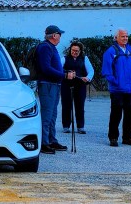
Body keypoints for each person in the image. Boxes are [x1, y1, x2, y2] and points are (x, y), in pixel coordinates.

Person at [35, 25, 76, 154]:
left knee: (52, 115)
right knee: (47, 116)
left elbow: (54, 68)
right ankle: (44, 143)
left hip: (54, 85)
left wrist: (65, 72)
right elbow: (46, 68)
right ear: (54, 35)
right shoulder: (45, 47)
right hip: (47, 85)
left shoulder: (50, 47)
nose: (60, 37)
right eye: (60, 34)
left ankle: (51, 140)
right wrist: (64, 75)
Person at [101, 28, 131, 147]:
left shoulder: (130, 50)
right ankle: (113, 137)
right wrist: (116, 82)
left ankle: (128, 138)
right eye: (123, 36)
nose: (125, 38)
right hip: (117, 89)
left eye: (126, 36)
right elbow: (107, 71)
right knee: (116, 114)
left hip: (130, 89)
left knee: (129, 114)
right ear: (116, 38)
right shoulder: (110, 51)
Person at [61, 41, 95, 135]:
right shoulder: (64, 58)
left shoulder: (85, 59)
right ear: (70, 50)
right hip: (66, 85)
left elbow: (91, 71)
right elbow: (59, 69)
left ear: (80, 51)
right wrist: (66, 73)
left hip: (80, 85)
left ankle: (80, 127)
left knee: (80, 106)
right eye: (73, 50)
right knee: (66, 105)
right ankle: (66, 126)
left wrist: (87, 78)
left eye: (77, 51)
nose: (74, 52)